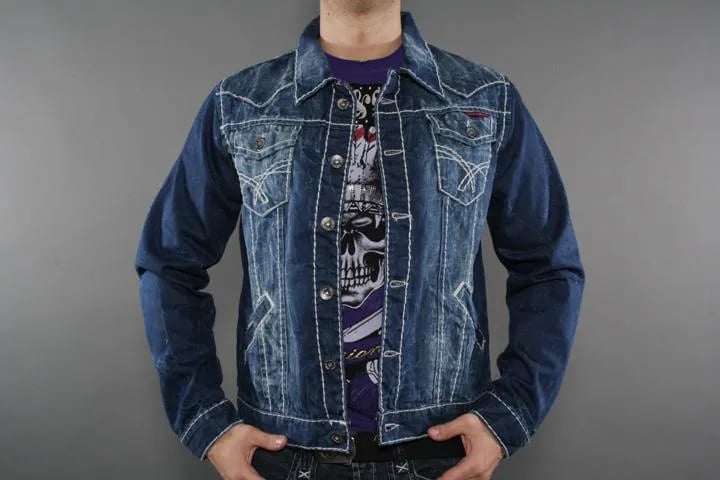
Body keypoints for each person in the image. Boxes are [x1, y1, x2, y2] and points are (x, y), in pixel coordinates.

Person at [134, 1, 586, 479]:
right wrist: (207, 422)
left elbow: (549, 267)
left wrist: (507, 416)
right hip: (283, 456)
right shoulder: (242, 105)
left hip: (438, 455)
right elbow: (169, 263)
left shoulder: (486, 100)